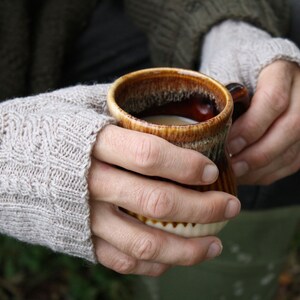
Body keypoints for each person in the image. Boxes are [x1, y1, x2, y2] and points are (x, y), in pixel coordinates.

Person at [0, 0, 299, 295]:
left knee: (279, 84)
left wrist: (227, 23)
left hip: (56, 28)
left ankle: (223, 278)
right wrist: (13, 160)